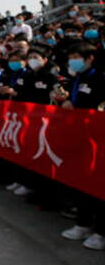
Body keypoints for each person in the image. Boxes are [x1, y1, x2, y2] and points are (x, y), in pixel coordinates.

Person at [55, 42, 105, 250]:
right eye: (71, 58)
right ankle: (83, 223)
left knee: (99, 182)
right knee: (81, 180)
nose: (72, 62)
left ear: (90, 58)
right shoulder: (78, 77)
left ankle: (101, 232)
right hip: (80, 137)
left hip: (98, 140)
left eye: (76, 57)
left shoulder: (100, 78)